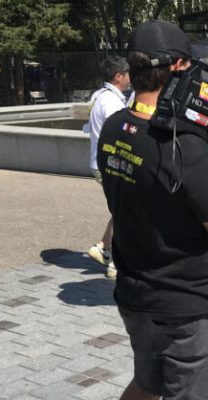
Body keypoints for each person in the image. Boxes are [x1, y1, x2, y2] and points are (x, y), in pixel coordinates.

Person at [98, 20, 208, 400]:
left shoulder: (114, 127)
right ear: (177, 67)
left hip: (138, 297)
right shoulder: (183, 145)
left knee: (147, 383)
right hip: (191, 308)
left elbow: (162, 176)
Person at [84, 55, 129, 279]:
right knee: (125, 210)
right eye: (128, 73)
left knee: (122, 209)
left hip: (101, 162)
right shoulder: (111, 101)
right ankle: (116, 262)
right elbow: (120, 132)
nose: (131, 77)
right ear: (118, 76)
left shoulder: (100, 96)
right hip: (110, 163)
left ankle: (104, 247)